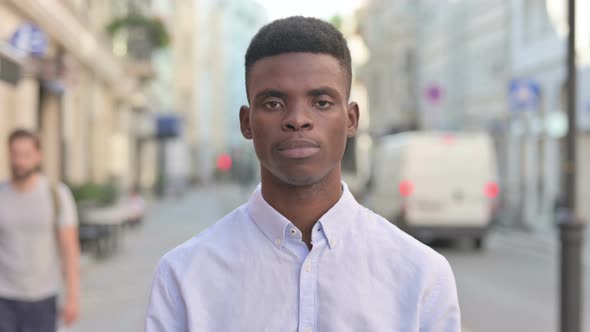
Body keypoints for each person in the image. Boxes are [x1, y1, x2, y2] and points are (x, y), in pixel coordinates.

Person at [146, 16, 460, 331]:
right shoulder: (184, 276)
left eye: (321, 102)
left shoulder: (422, 275)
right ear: (246, 122)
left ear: (351, 119)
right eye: (273, 103)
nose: (298, 119)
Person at [0, 129, 80, 332]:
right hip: (4, 297)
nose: (20, 161)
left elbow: (69, 249)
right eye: (15, 154)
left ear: (38, 156)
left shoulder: (56, 195)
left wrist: (72, 297)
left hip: (43, 297)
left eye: (26, 155)